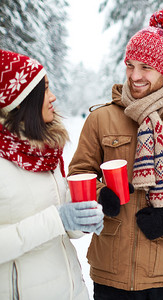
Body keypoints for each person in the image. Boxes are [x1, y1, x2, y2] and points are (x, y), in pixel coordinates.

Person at [68, 9, 163, 300]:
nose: (134, 76)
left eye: (146, 68)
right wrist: (100, 193)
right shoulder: (101, 119)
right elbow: (79, 173)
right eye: (130, 65)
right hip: (112, 269)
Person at [0, 49, 104, 299]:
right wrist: (58, 220)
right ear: (21, 100)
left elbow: (64, 227)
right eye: (44, 90)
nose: (53, 97)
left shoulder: (44, 152)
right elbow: (54, 221)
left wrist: (81, 220)